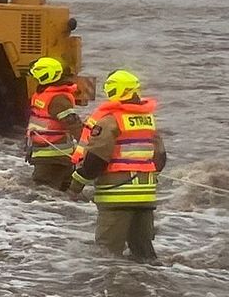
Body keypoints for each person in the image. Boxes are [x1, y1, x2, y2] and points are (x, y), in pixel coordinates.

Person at [67, 69, 167, 260]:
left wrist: (75, 184)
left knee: (107, 256)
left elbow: (95, 161)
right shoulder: (148, 120)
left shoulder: (110, 120)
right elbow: (160, 159)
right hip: (145, 197)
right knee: (143, 253)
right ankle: (151, 286)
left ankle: (110, 288)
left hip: (116, 198)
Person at [24, 56, 82, 190]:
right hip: (48, 155)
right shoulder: (47, 95)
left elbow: (74, 125)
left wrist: (87, 149)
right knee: (59, 194)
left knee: (42, 194)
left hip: (53, 157)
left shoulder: (58, 99)